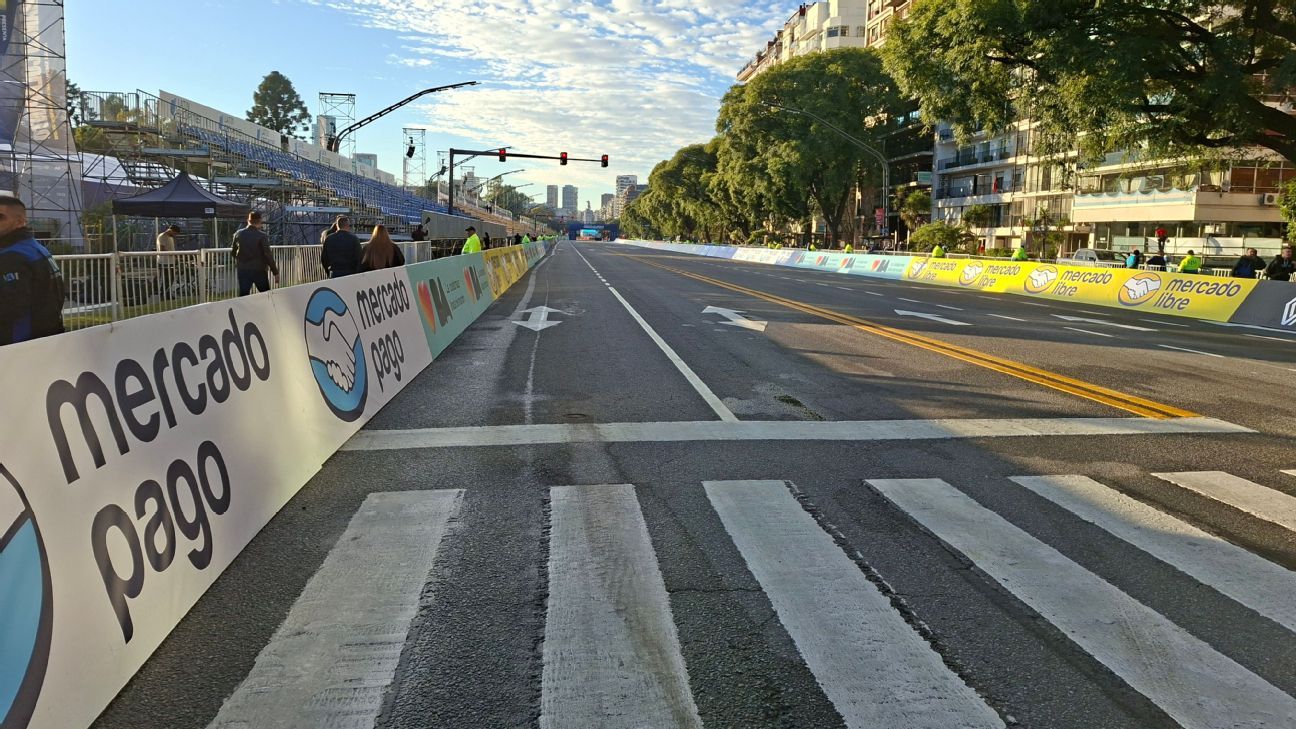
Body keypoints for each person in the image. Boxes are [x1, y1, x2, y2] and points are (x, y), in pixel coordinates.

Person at [0, 196, 64, 345]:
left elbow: (11, 307)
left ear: (19, 221)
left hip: (18, 344)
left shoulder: (12, 256)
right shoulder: (35, 248)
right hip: (46, 338)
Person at [231, 211, 279, 296]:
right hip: (259, 270)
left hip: (243, 269)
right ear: (260, 221)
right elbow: (268, 255)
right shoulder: (262, 236)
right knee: (266, 295)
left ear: (248, 221)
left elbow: (233, 252)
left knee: (243, 295)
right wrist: (275, 272)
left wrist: (241, 261)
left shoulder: (238, 234)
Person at [156, 224, 181, 299]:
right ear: (171, 230)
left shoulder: (170, 237)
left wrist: (175, 257)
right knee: (166, 279)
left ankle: (167, 293)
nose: (175, 235)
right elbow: (162, 249)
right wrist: (172, 254)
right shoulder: (162, 236)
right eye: (175, 233)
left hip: (170, 261)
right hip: (164, 261)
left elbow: (170, 248)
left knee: (171, 279)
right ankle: (163, 294)